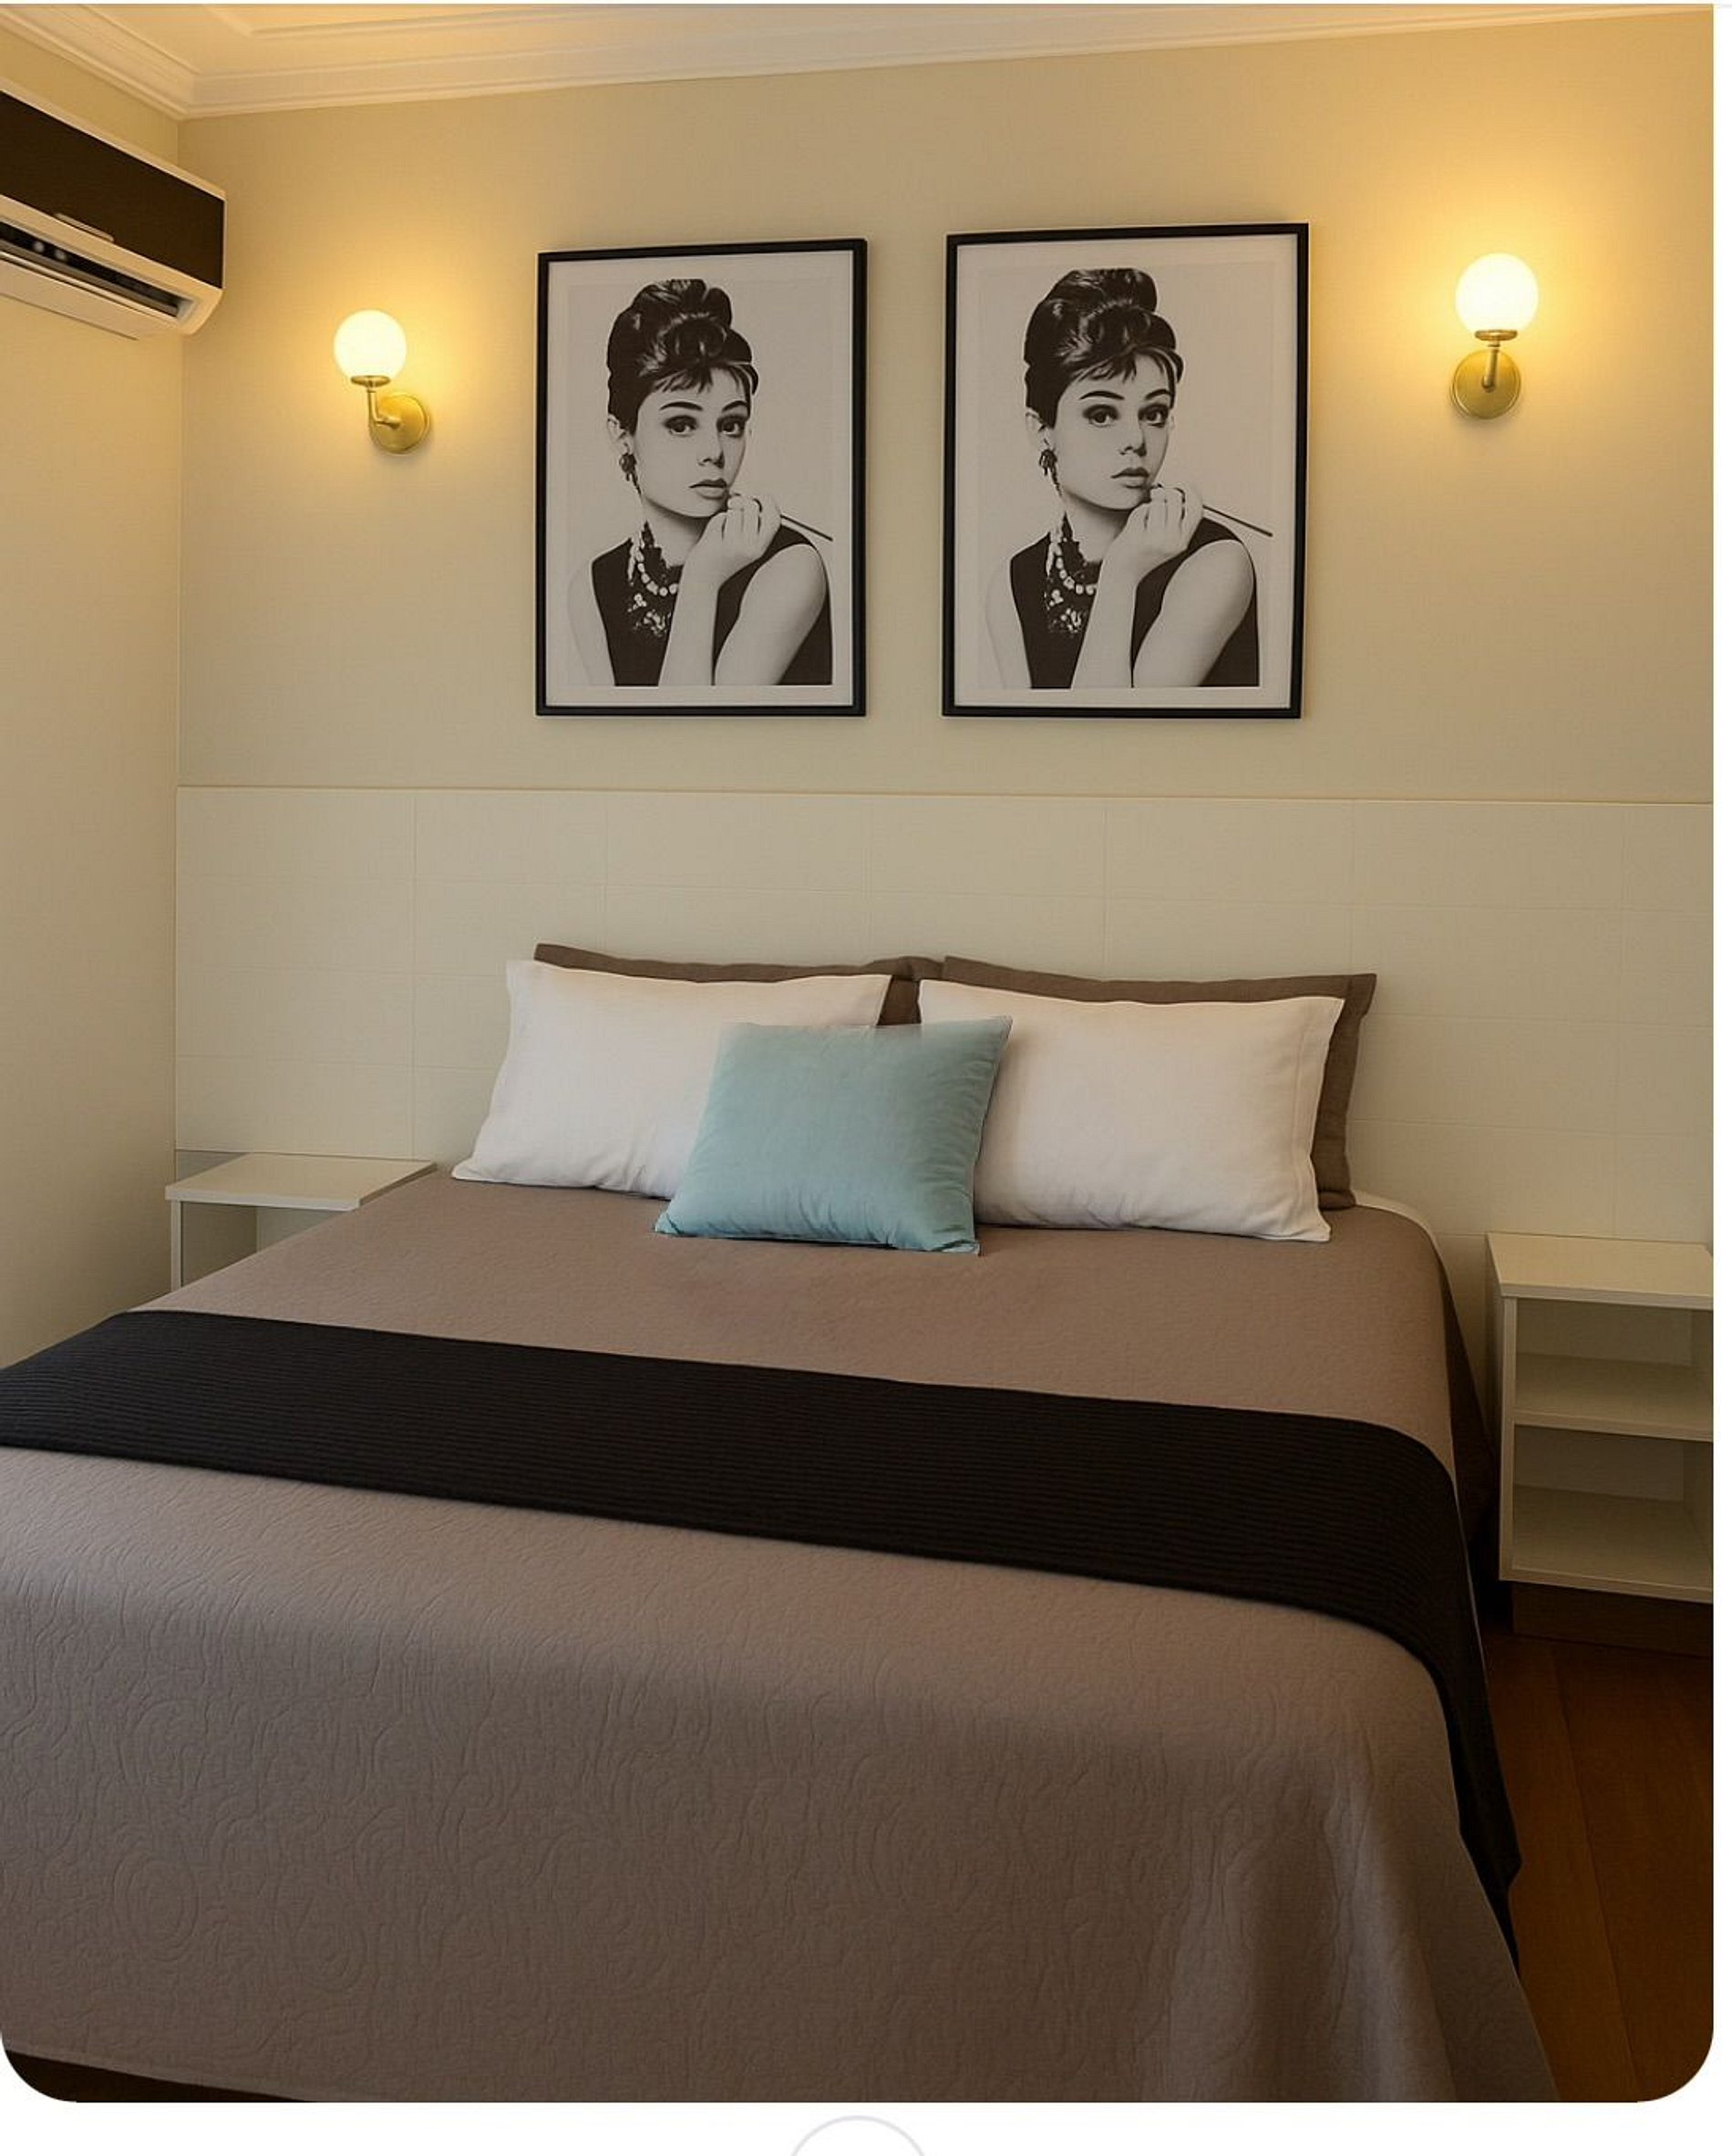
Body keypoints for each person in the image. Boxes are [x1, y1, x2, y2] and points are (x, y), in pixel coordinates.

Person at [985, 267, 1257, 693]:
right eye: (1101, 414)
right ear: (1042, 429)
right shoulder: (1014, 582)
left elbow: (1118, 725)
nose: (1136, 439)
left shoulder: (1217, 563)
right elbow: (1027, 729)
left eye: (1154, 413)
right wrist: (1121, 570)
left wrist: (1121, 576)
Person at [570, 279, 831, 690]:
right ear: (623, 435)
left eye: (731, 424)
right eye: (681, 424)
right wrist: (702, 575)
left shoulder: (791, 568)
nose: (714, 451)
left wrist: (702, 580)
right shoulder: (593, 584)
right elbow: (621, 728)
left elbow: (700, 723)